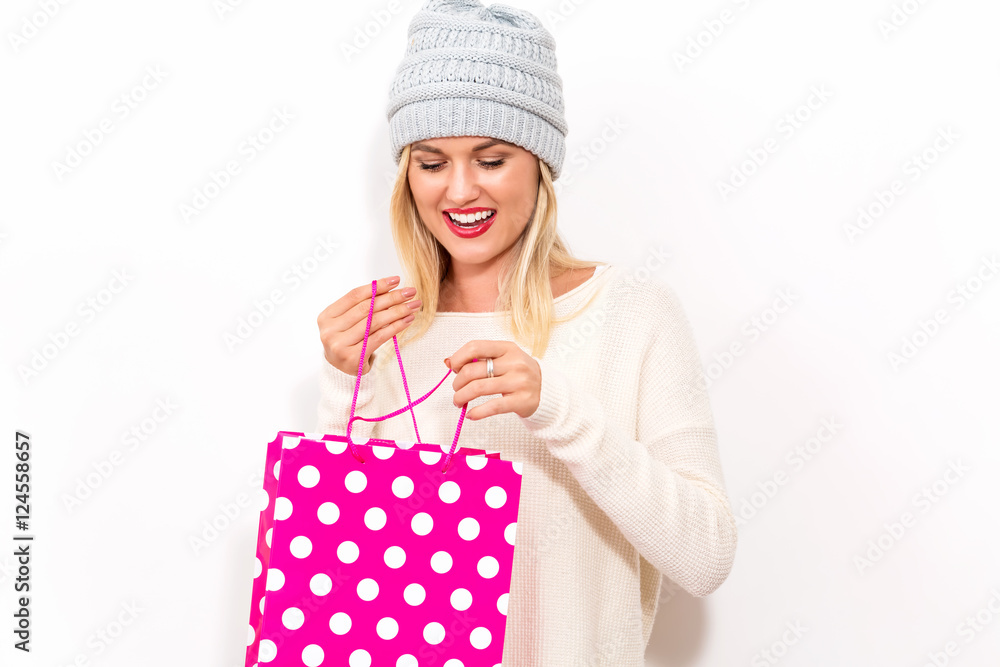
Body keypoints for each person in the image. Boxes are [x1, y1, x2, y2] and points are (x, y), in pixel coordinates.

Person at [315, 0, 737, 664]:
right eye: (430, 162)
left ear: (539, 164)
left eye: (490, 158)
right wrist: (344, 383)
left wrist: (555, 406)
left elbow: (706, 554)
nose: (458, 190)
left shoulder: (630, 310)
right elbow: (339, 577)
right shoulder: (388, 330)